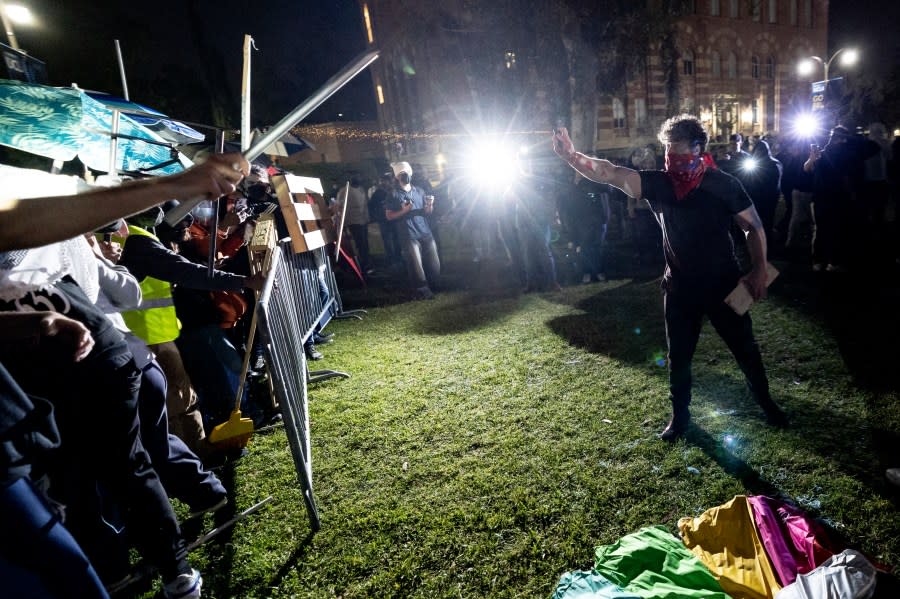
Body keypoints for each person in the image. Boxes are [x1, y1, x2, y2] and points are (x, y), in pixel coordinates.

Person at [552, 115, 787, 441]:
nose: (671, 162)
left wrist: (759, 269)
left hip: (725, 285)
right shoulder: (660, 184)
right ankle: (680, 418)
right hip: (680, 288)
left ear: (698, 149)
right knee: (679, 357)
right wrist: (571, 156)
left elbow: (754, 226)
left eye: (678, 154)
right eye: (666, 154)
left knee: (746, 349)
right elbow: (609, 172)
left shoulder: (723, 184)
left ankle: (766, 402)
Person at [385, 161, 440, 299]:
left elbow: (427, 212)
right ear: (397, 177)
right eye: (402, 174)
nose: (405, 176)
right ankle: (422, 291)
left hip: (425, 232)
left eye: (407, 173)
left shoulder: (420, 191)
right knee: (416, 266)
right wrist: (404, 211)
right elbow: (389, 216)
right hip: (409, 235)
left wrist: (429, 205)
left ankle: (434, 285)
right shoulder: (393, 194)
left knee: (434, 264)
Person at [336, 175, 372, 274]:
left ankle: (367, 262)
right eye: (356, 179)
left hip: (363, 220)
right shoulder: (344, 191)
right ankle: (364, 265)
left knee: (365, 243)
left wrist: (367, 218)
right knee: (360, 243)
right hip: (353, 221)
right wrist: (342, 222)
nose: (358, 181)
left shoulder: (361, 190)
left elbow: (365, 205)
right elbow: (340, 206)